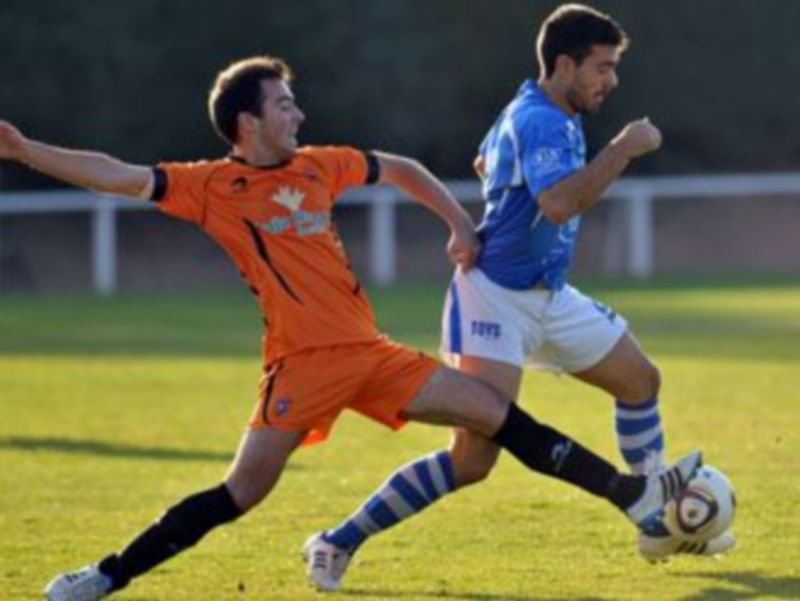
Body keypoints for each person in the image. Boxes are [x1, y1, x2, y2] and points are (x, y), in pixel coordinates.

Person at [0, 55, 699, 601]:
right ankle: (105, 575)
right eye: (283, 104)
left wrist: (458, 223)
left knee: (497, 417)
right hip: (300, 366)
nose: (298, 113)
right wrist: (28, 150)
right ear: (247, 122)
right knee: (239, 494)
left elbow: (399, 167)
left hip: (372, 353)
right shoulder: (211, 185)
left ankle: (633, 496)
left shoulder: (318, 166)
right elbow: (120, 176)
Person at [305, 4, 733, 590]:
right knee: (473, 461)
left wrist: (497, 206)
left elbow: (486, 158)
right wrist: (624, 149)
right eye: (602, 67)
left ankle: (659, 516)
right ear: (565, 64)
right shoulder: (542, 119)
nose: (612, 81)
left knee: (640, 380)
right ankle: (335, 542)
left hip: (549, 296)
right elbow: (558, 204)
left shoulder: (543, 109)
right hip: (493, 302)